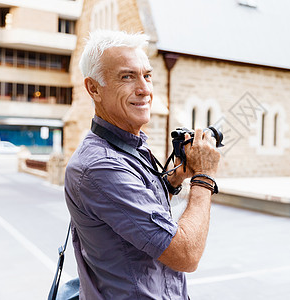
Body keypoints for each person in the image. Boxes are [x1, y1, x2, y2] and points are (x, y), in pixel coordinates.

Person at [64, 30, 221, 299]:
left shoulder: (128, 145)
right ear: (93, 89)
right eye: (127, 76)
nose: (145, 89)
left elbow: (135, 211)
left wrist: (175, 178)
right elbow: (186, 254)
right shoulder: (100, 166)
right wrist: (204, 177)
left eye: (147, 75)